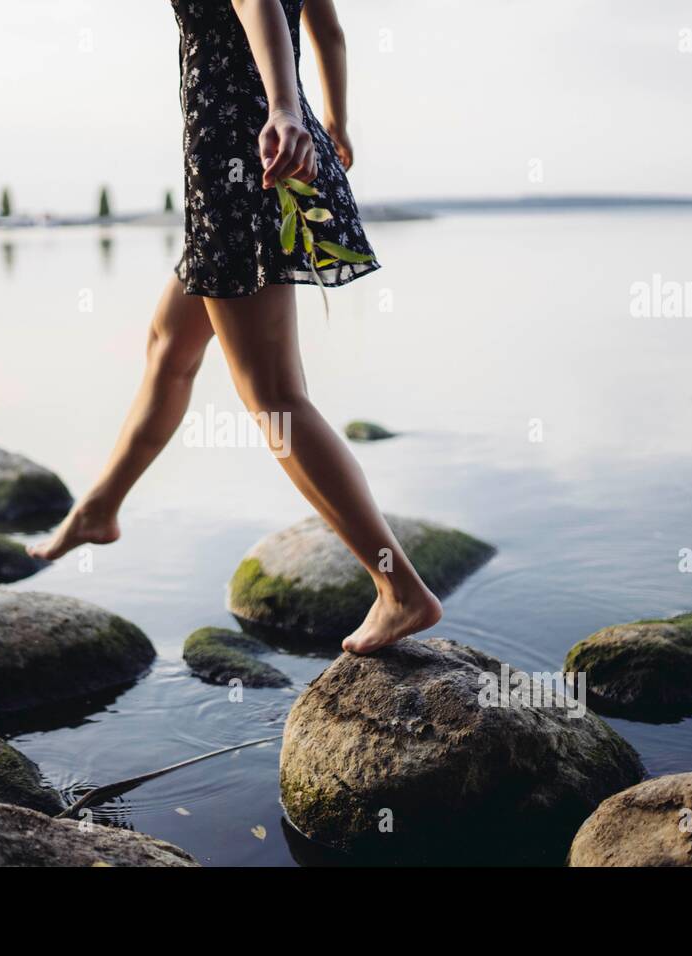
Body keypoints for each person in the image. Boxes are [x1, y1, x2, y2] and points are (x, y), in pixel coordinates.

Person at [30, 0, 441, 654]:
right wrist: (328, 116)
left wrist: (284, 109)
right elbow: (326, 27)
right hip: (261, 148)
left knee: (275, 398)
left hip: (244, 155)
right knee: (170, 347)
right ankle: (100, 509)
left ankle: (400, 591)